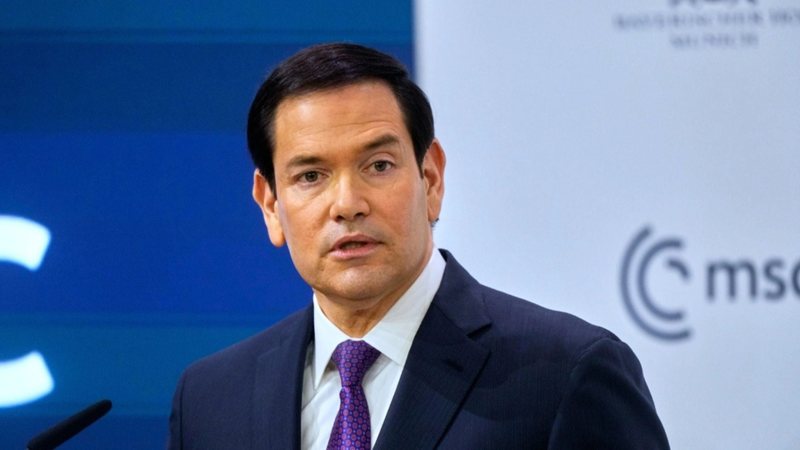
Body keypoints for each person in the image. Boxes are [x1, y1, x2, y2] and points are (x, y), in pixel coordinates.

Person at [168, 43, 669, 449]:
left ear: (431, 179)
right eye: (311, 176)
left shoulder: (564, 373)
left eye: (378, 166)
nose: (347, 204)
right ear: (270, 205)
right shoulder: (210, 400)